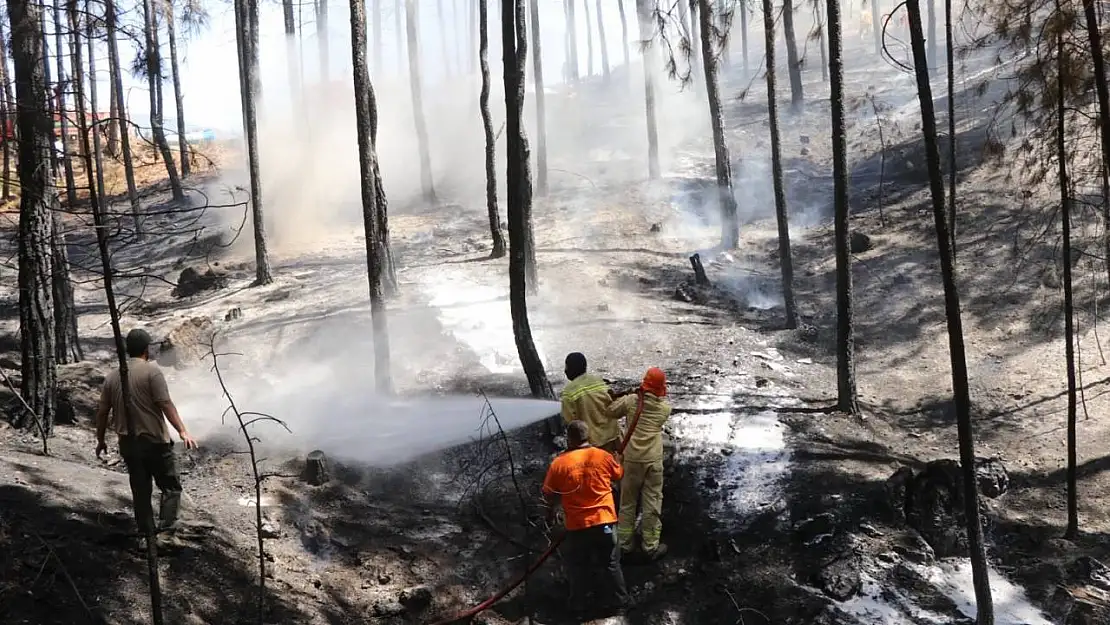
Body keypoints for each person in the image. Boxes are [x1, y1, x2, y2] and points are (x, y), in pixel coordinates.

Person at [95, 328, 197, 549]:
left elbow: (102, 412)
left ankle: (145, 536)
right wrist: (182, 430)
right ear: (146, 350)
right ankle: (166, 536)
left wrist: (100, 439)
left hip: (128, 444)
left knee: (141, 490)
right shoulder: (152, 372)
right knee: (170, 487)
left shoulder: (113, 376)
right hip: (155, 442)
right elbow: (165, 403)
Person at [542, 420, 631, 615]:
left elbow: (548, 492)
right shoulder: (603, 456)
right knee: (611, 563)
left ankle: (579, 606)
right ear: (587, 436)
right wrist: (619, 460)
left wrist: (550, 514)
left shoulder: (559, 463)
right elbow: (618, 474)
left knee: (577, 567)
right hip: (605, 523)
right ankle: (620, 603)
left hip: (577, 527)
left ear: (569, 439)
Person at [607, 367, 672, 560]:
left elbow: (610, 411)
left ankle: (625, 545)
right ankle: (650, 546)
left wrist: (620, 396)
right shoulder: (665, 409)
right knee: (652, 502)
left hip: (632, 460)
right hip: (653, 460)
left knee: (627, 503)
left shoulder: (631, 401)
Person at [560, 352, 621, 453]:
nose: (565, 370)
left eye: (566, 367)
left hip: (593, 442)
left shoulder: (568, 392)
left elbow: (570, 421)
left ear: (570, 369)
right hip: (611, 435)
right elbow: (613, 401)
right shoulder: (598, 381)